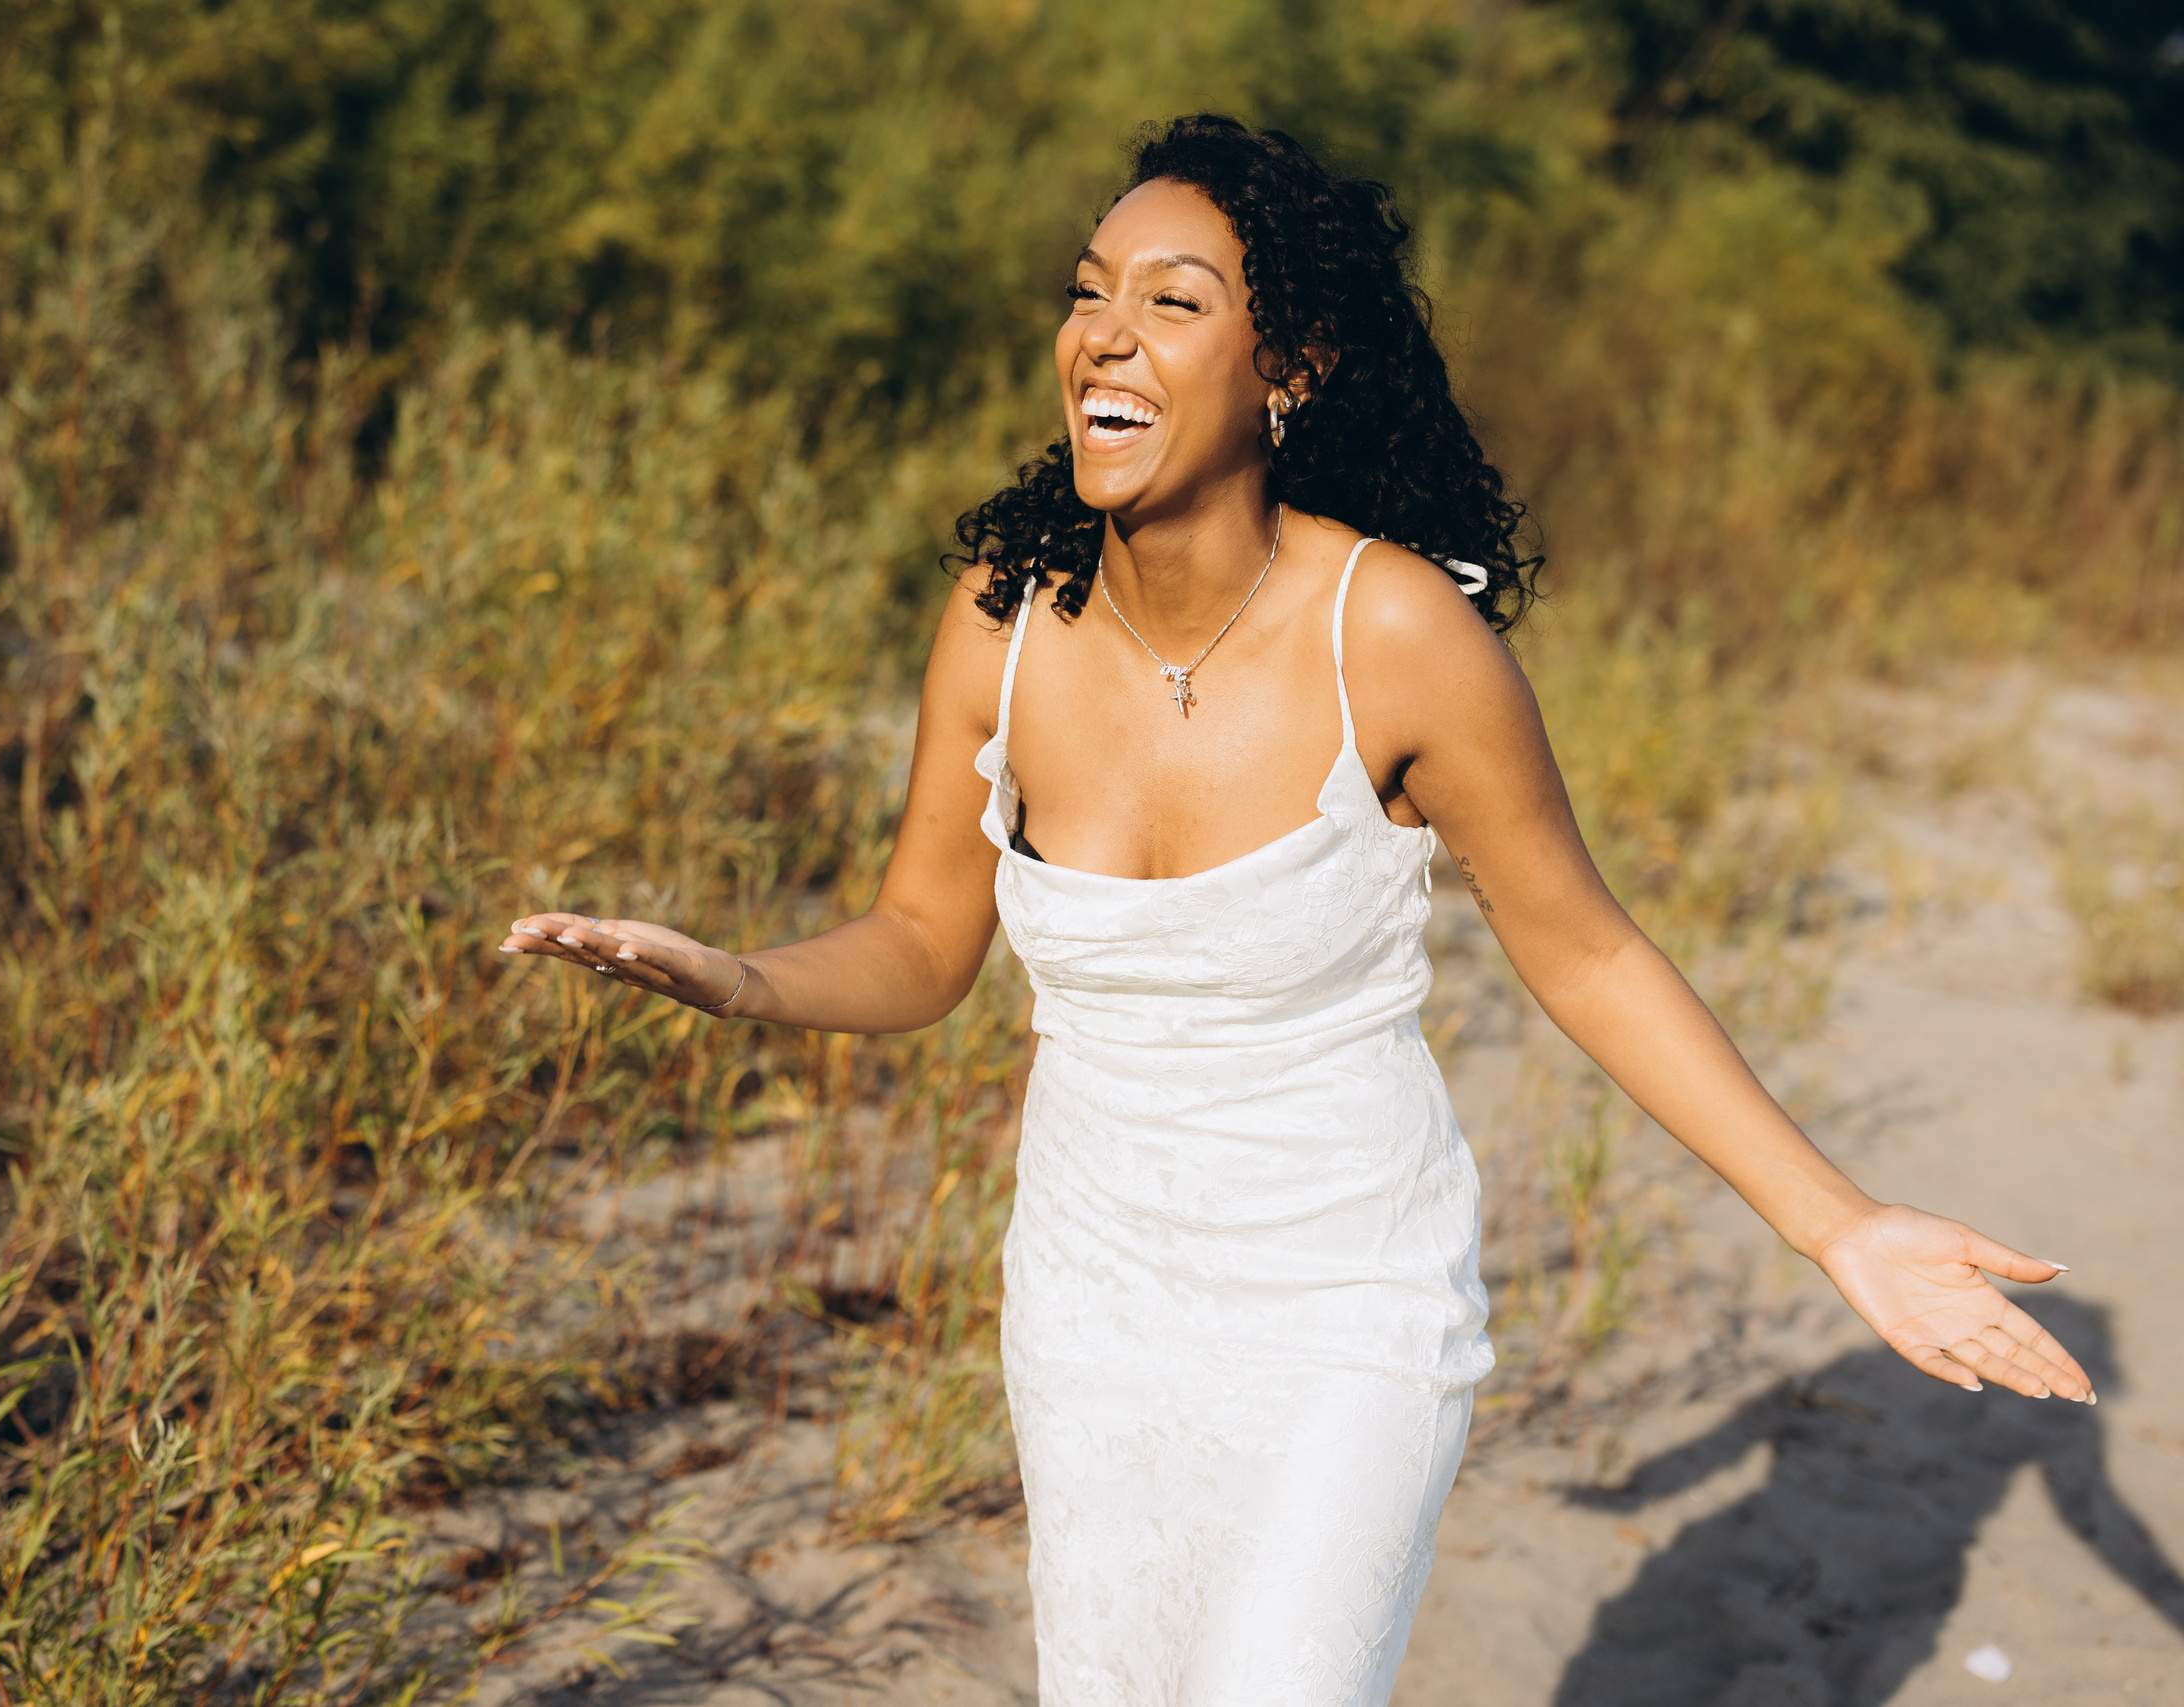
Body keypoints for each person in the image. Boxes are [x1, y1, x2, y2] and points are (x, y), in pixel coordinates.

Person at [499, 113, 2094, 1706]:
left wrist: (1842, 1227)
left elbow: (1589, 953)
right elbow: (922, 943)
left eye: (1174, 302)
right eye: (1088, 291)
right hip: (1092, 1305)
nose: (1106, 335)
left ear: (1293, 365)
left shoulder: (1389, 632)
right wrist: (735, 977)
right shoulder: (1004, 624)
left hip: (1346, 1307)